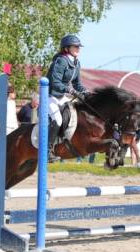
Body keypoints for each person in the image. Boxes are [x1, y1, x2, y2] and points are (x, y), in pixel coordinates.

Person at [46, 34, 88, 162]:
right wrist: (69, 90)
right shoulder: (61, 61)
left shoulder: (76, 63)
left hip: (61, 96)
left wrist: (85, 91)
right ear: (66, 48)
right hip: (49, 95)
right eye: (75, 46)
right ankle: (48, 151)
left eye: (78, 46)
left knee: (76, 114)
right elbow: (55, 82)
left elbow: (77, 84)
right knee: (58, 120)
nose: (78, 49)